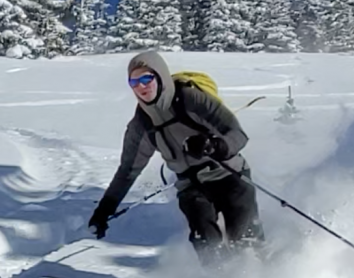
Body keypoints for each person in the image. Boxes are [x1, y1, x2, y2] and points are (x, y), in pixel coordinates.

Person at [87, 50, 264, 262]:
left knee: (244, 240)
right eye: (134, 82)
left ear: (160, 76)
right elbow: (127, 171)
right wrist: (104, 211)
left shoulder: (191, 99)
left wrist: (213, 146)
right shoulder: (141, 125)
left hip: (230, 174)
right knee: (206, 242)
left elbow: (238, 134)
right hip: (191, 185)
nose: (141, 86)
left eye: (146, 78)